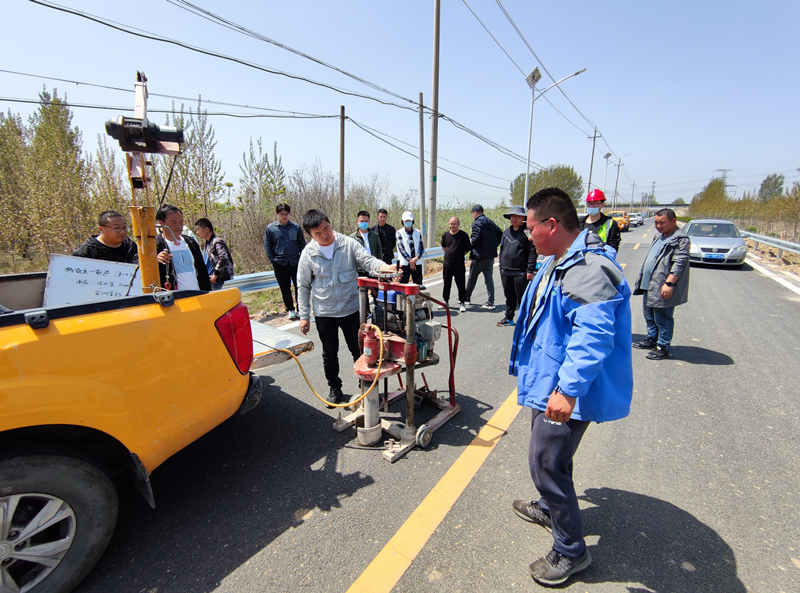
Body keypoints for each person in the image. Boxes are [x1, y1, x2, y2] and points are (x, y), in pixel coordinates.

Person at [509, 187, 633, 587]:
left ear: (551, 224)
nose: (528, 235)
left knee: (545, 461)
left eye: (531, 228)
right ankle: (549, 506)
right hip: (548, 380)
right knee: (554, 458)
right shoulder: (558, 259)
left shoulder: (589, 268)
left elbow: (593, 335)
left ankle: (570, 551)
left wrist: (567, 390)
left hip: (565, 389)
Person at [297, 210, 399, 406]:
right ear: (311, 235)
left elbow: (367, 261)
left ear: (330, 223)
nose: (325, 235)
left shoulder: (348, 244)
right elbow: (303, 285)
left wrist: (386, 267)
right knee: (329, 353)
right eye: (318, 233)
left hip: (351, 309)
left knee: (360, 349)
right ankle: (335, 388)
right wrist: (304, 315)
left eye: (326, 228)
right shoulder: (308, 254)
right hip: (324, 312)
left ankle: (367, 388)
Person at [632, 208, 690, 360]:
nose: (658, 226)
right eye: (656, 222)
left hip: (662, 285)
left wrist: (669, 284)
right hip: (649, 284)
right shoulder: (659, 236)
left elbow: (680, 262)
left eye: (662, 222)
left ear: (673, 221)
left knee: (662, 318)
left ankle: (663, 347)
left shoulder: (680, 239)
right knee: (649, 315)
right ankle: (652, 339)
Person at [497, 205, 538, 327]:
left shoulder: (527, 233)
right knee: (509, 297)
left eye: (517, 216)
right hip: (506, 271)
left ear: (523, 218)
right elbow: (502, 251)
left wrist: (530, 270)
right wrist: (501, 267)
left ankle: (526, 320)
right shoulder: (506, 233)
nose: (514, 219)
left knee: (522, 299)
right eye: (512, 216)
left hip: (520, 272)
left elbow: (532, 252)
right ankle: (509, 318)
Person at [264, 203, 307, 320]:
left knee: (299, 286)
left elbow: (302, 244)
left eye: (286, 214)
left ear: (289, 214)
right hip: (280, 263)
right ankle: (291, 309)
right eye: (282, 214)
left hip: (295, 262)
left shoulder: (295, 227)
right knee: (285, 287)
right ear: (277, 214)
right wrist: (273, 260)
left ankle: (300, 309)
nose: (284, 217)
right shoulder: (271, 228)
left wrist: (303, 259)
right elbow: (268, 246)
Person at [155, 205, 211, 291]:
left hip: (198, 296)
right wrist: (155, 260)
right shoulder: (156, 246)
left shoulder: (191, 243)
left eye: (181, 222)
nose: (178, 226)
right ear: (161, 223)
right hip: (174, 301)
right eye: (174, 223)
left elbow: (202, 271)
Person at [465, 204, 502, 309]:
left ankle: (467, 298)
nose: (473, 215)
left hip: (479, 256)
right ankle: (491, 302)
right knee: (489, 279)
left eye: (473, 213)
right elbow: (500, 233)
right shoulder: (490, 222)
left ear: (475, 213)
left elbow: (475, 239)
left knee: (472, 278)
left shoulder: (477, 223)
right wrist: (494, 245)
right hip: (490, 256)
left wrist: (468, 246)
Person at [72, 211, 139, 264]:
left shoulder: (130, 246)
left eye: (124, 227)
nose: (122, 231)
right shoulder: (87, 252)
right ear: (101, 229)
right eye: (116, 228)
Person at [439, 216, 471, 312]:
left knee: (460, 284)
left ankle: (462, 302)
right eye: (451, 224)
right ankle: (445, 301)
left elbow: (467, 249)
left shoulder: (464, 236)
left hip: (459, 265)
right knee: (446, 284)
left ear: (459, 224)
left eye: (454, 224)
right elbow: (444, 247)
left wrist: (457, 254)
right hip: (447, 265)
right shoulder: (445, 235)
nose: (452, 226)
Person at [194, 218, 234, 291]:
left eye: (198, 229)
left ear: (206, 229)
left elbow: (223, 258)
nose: (197, 232)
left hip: (219, 281)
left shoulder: (217, 242)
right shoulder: (208, 244)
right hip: (211, 282)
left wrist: (216, 274)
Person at [395, 211, 425, 284]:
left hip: (417, 263)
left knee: (418, 286)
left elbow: (421, 248)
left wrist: (415, 259)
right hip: (404, 263)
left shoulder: (417, 232)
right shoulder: (399, 233)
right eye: (406, 221)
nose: (408, 222)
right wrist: (410, 261)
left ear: (412, 221)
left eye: (409, 220)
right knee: (403, 286)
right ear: (402, 221)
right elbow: (401, 249)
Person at [350, 210, 383, 276]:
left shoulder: (374, 236)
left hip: (373, 269)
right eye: (361, 221)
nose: (364, 223)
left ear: (369, 222)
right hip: (360, 270)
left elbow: (379, 252)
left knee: (374, 286)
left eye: (366, 221)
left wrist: (380, 267)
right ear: (357, 222)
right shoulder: (352, 237)